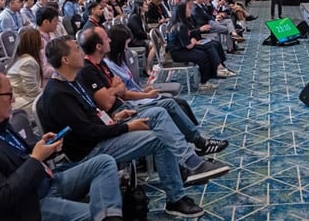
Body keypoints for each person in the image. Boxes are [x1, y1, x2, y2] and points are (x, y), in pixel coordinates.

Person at [38, 38, 205, 219]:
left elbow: (90, 117)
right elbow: (88, 132)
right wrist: (127, 127)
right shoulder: (59, 94)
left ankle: (182, 182)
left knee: (159, 127)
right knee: (159, 140)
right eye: (76, 49)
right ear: (66, 60)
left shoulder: (72, 82)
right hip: (89, 150)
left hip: (99, 135)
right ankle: (177, 196)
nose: (80, 52)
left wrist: (115, 118)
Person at [0, 68, 123, 221]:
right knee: (97, 215)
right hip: (27, 206)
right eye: (8, 95)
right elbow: (1, 199)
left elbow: (20, 155)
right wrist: (36, 158)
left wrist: (44, 148)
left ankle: (107, 216)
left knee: (104, 162)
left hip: (44, 183)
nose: (13, 100)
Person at [75, 27, 230, 183]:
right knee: (161, 113)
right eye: (105, 38)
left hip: (125, 107)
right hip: (118, 115)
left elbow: (123, 90)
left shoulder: (102, 64)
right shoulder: (87, 70)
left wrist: (115, 90)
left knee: (169, 103)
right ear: (98, 46)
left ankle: (198, 144)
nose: (109, 40)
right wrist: (117, 89)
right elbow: (108, 102)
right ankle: (191, 162)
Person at [104, 25, 228, 157]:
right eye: (125, 45)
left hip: (139, 96)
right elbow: (123, 93)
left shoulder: (119, 60)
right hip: (134, 103)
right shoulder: (110, 65)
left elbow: (128, 86)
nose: (127, 48)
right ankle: (197, 142)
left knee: (181, 104)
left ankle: (196, 140)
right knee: (173, 105)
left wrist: (143, 90)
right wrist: (145, 94)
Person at [6, 28, 44, 129]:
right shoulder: (28, 62)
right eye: (40, 37)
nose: (42, 39)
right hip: (20, 101)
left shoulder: (25, 58)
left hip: (21, 97)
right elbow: (33, 92)